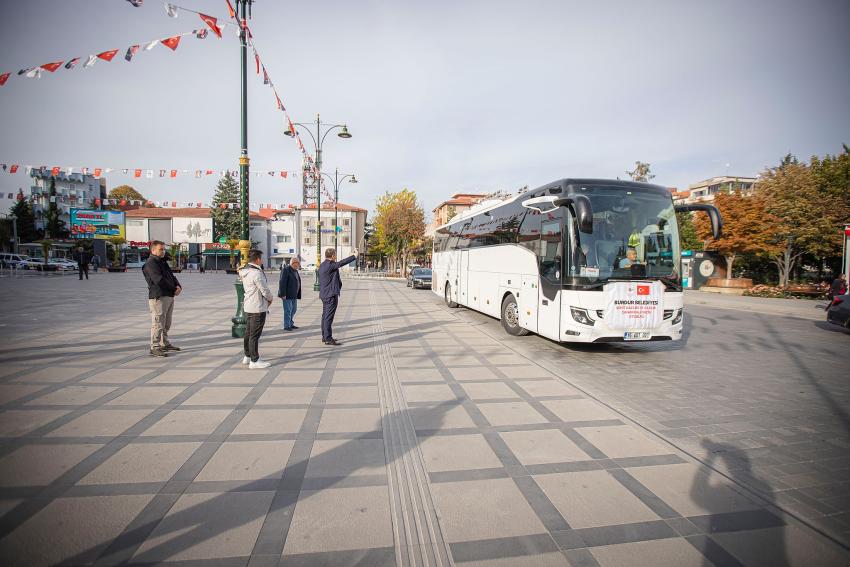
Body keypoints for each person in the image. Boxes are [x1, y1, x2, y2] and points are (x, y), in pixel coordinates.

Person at [142, 240, 182, 357]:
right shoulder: (151, 263)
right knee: (158, 322)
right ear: (153, 250)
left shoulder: (162, 262)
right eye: (161, 249)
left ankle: (164, 343)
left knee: (166, 322)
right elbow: (158, 280)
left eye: (164, 249)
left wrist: (178, 286)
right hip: (159, 296)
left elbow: (171, 275)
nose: (163, 251)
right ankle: (154, 346)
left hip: (168, 295)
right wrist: (173, 289)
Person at [240, 249, 273, 368]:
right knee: (254, 335)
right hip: (257, 306)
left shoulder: (245, 271)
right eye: (261, 258)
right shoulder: (256, 273)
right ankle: (254, 361)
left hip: (249, 305)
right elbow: (264, 290)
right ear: (258, 259)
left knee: (248, 333)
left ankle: (247, 356)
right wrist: (270, 298)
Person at [318, 247, 357, 345]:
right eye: (335, 254)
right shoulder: (330, 265)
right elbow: (341, 263)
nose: (336, 256)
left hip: (324, 294)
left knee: (325, 316)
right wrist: (354, 256)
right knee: (328, 317)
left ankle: (325, 336)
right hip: (330, 295)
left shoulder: (322, 265)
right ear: (332, 255)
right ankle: (328, 338)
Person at [278, 258, 302, 331]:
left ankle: (291, 323)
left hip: (294, 294)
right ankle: (287, 326)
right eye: (298, 263)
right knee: (288, 310)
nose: (299, 265)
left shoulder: (295, 271)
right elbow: (282, 282)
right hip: (287, 295)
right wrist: (282, 294)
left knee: (294, 310)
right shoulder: (286, 270)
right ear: (294, 263)